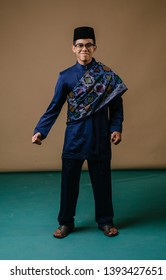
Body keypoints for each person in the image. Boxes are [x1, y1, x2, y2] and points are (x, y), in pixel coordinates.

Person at [32, 26, 127, 238]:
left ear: (94, 47)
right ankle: (66, 222)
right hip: (74, 138)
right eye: (80, 45)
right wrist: (41, 130)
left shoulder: (107, 76)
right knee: (69, 183)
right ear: (73, 48)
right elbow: (54, 107)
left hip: (100, 136)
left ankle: (105, 221)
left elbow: (117, 107)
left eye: (88, 45)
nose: (84, 49)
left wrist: (115, 128)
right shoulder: (65, 76)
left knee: (102, 181)